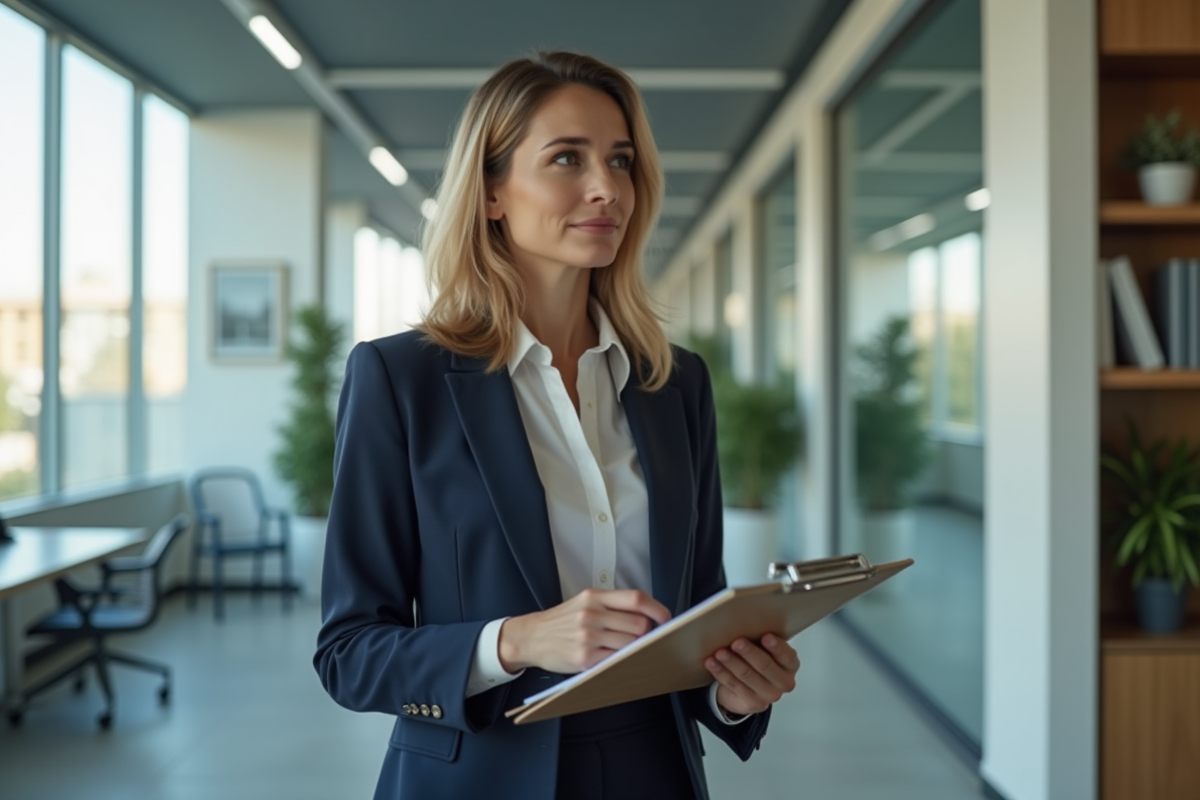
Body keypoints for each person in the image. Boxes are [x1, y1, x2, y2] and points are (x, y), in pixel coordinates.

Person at [314, 51, 800, 800]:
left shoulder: (675, 384)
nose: (606, 188)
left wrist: (734, 692)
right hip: (480, 775)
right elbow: (349, 652)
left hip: (655, 772)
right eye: (567, 158)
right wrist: (514, 642)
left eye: (621, 161)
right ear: (493, 191)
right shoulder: (399, 380)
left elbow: (699, 610)